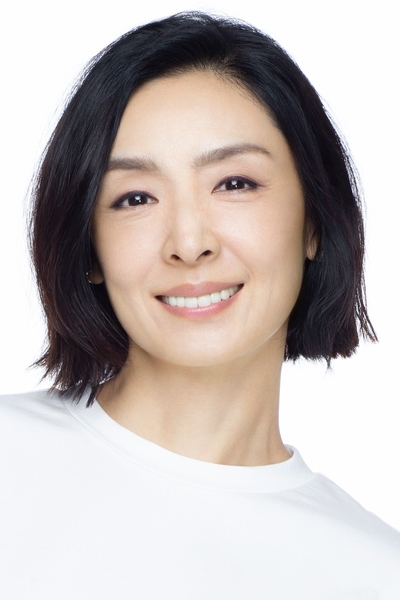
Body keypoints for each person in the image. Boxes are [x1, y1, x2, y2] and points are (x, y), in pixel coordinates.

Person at [0, 11, 399, 599]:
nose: (189, 244)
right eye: (136, 198)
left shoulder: (375, 575)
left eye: (235, 184)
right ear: (89, 247)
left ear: (314, 221)